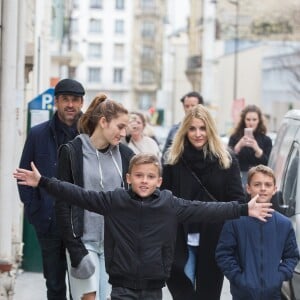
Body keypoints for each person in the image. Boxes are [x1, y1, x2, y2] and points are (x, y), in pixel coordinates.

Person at [14, 153, 273, 300]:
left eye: (150, 177)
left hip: (153, 287)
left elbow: (206, 209)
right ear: (128, 178)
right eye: (139, 176)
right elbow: (79, 195)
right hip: (122, 286)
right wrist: (44, 182)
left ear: (159, 180)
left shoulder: (169, 204)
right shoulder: (114, 201)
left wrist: (243, 208)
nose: (144, 181)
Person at [162, 104, 245, 300]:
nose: (198, 134)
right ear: (184, 130)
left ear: (210, 129)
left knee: (209, 294)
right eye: (192, 128)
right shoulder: (172, 160)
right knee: (183, 292)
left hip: (215, 238)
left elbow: (238, 201)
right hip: (180, 238)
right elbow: (163, 200)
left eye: (202, 128)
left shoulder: (226, 160)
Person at [56, 94, 135, 300]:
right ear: (103, 122)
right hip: (84, 243)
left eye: (126, 128)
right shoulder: (72, 152)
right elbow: (63, 202)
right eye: (120, 126)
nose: (123, 133)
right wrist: (74, 247)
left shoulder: (126, 156)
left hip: (113, 246)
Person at [17, 78, 85, 299]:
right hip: (48, 222)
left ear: (82, 102)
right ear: (56, 101)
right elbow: (23, 175)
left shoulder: (89, 136)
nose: (70, 105)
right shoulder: (38, 134)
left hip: (81, 224)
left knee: (83, 286)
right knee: (54, 285)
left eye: (75, 100)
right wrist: (35, 210)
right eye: (65, 99)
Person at [216, 165, 299, 300]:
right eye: (257, 184)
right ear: (248, 188)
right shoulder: (235, 221)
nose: (263, 188)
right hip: (242, 295)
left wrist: (279, 277)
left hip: (273, 294)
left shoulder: (284, 224)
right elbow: (223, 254)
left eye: (268, 184)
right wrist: (238, 278)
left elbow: (292, 256)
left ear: (275, 189)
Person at [228, 104, 273, 186]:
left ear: (259, 121)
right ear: (243, 120)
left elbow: (269, 165)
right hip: (238, 179)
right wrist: (238, 147)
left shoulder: (266, 140)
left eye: (254, 119)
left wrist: (257, 149)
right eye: (248, 119)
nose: (251, 123)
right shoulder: (234, 138)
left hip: (259, 181)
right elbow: (227, 161)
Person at [162, 91, 203, 160]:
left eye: (193, 105)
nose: (190, 109)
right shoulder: (174, 130)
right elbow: (165, 157)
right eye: (187, 106)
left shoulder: (208, 128)